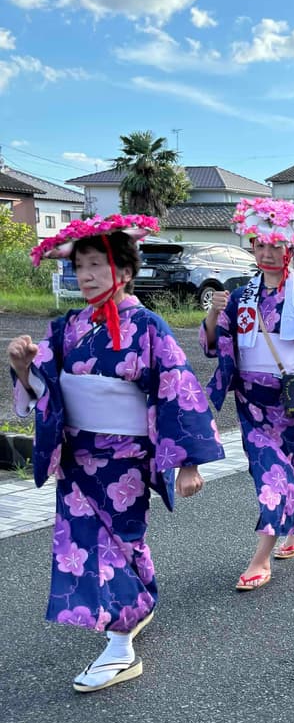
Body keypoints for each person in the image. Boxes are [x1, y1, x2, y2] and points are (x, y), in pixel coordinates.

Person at [7, 215, 224, 693]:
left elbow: (176, 389)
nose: (85, 275)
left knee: (115, 541)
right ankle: (129, 617)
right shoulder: (65, 328)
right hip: (77, 455)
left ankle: (120, 646)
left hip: (125, 457)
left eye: (97, 266)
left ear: (124, 272)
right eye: (80, 265)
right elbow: (43, 391)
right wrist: (23, 368)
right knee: (89, 543)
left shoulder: (147, 325)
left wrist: (187, 461)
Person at [201, 199, 294, 591]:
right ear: (252, 247)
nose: (267, 253)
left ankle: (261, 556)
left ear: (291, 249)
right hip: (250, 401)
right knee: (271, 468)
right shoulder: (240, 296)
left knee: (277, 468)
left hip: (288, 399)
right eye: (260, 245)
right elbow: (216, 346)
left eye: (276, 246)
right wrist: (214, 316)